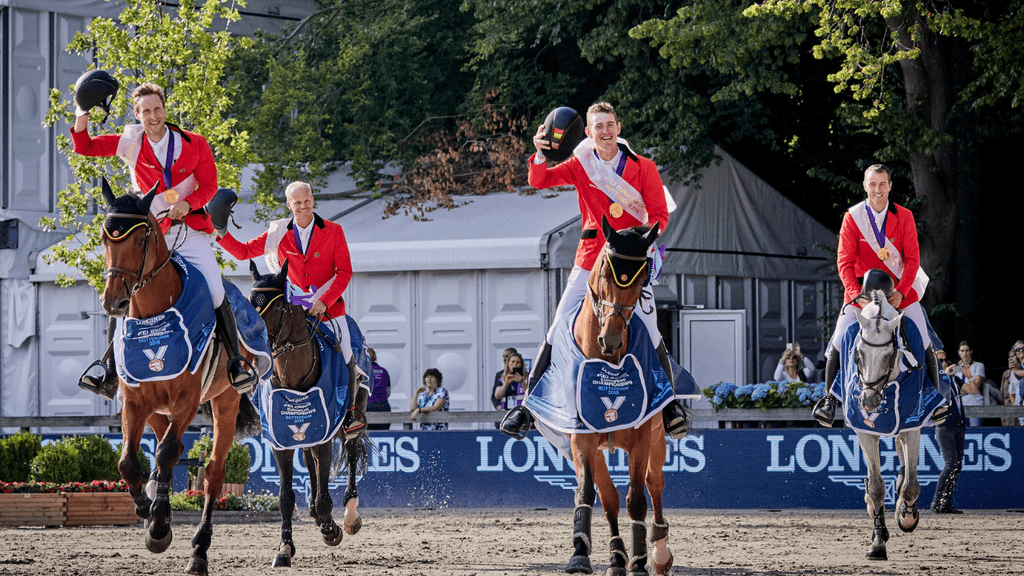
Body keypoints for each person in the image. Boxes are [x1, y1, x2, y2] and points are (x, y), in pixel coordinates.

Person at [500, 102, 688, 439]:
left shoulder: (644, 167)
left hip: (628, 264)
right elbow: (540, 180)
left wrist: (636, 240)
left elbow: (660, 216)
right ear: (588, 133)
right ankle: (526, 407)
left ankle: (671, 405)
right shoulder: (580, 164)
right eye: (598, 126)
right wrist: (540, 153)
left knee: (651, 328)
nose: (605, 131)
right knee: (558, 325)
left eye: (610, 124)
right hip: (590, 260)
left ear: (618, 127)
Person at [72, 81, 255, 398]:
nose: (153, 116)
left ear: (165, 109)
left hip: (188, 229)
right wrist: (82, 110)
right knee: (125, 292)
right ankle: (110, 370)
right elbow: (84, 147)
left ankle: (236, 363)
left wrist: (190, 202)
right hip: (151, 235)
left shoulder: (195, 143)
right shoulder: (130, 143)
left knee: (214, 287)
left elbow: (210, 187)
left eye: (157, 109)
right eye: (146, 111)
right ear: (137, 113)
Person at [216, 181, 365, 435]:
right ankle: (262, 404)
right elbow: (243, 253)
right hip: (292, 310)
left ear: (313, 200)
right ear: (289, 205)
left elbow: (345, 272)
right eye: (297, 203)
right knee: (263, 346)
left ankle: (351, 412)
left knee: (348, 351)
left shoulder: (333, 231)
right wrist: (221, 231)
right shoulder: (278, 233)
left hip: (327, 309)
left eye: (307, 201)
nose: (303, 206)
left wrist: (324, 301)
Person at [813, 164, 942, 426]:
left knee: (923, 336)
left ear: (890, 186)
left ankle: (933, 397)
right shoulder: (853, 217)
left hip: (898, 291)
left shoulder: (904, 216)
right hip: (863, 293)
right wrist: (854, 294)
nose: (877, 190)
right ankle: (828, 400)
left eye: (882, 184)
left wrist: (902, 292)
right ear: (865, 186)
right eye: (872, 184)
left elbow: (912, 259)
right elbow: (844, 262)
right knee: (838, 337)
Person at [933, 349, 967, 514]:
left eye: (945, 360)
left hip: (959, 425)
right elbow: (940, 395)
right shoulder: (934, 379)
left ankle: (946, 502)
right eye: (940, 361)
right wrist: (946, 375)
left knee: (957, 466)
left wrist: (968, 373)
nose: (944, 363)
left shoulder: (954, 378)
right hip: (944, 426)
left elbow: (973, 390)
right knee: (950, 464)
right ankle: (936, 501)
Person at [954, 340, 986, 427]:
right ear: (959, 352)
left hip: (975, 404)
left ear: (971, 351)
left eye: (967, 350)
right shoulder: (957, 368)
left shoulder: (978, 365)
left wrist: (963, 391)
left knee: (975, 432)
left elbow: (976, 387)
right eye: (962, 351)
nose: (964, 353)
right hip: (960, 406)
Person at [366, 348, 392, 430]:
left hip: (368, 406)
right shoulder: (384, 371)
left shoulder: (363, 372)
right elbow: (388, 392)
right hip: (383, 405)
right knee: (383, 434)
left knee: (369, 435)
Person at [1000, 340, 1024, 426]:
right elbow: (1009, 393)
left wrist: (1016, 369)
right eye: (1010, 357)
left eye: (1013, 357)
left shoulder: (1017, 369)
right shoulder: (1008, 373)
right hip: (1015, 412)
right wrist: (1016, 408)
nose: (1011, 359)